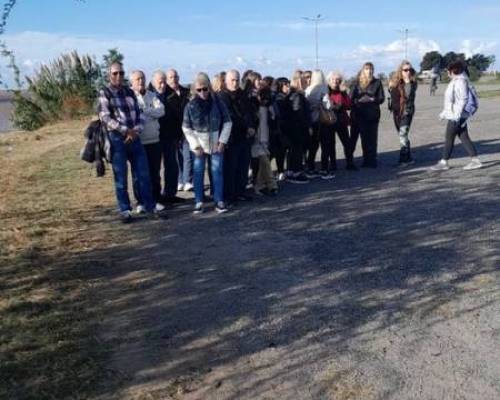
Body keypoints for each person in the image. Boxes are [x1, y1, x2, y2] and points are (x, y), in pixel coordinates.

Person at [97, 62, 156, 223]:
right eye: (115, 73)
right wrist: (125, 130)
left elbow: (140, 114)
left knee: (143, 174)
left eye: (121, 73)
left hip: (135, 138)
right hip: (117, 139)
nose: (118, 76)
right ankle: (125, 210)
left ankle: (149, 207)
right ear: (109, 75)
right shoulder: (105, 92)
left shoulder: (130, 92)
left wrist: (135, 130)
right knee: (121, 177)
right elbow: (105, 116)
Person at [183, 73, 232, 214]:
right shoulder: (190, 106)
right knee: (198, 173)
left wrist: (222, 141)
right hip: (199, 144)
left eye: (205, 89)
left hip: (216, 143)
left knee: (217, 172)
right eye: (199, 90)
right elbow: (186, 127)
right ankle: (199, 201)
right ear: (194, 90)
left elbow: (228, 122)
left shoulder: (218, 103)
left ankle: (219, 200)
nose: (202, 92)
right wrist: (195, 145)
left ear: (209, 88)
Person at [431, 60, 482, 171]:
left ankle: (444, 162)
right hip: (458, 115)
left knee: (449, 138)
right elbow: (451, 101)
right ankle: (475, 160)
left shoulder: (460, 82)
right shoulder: (458, 80)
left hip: (457, 116)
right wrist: (444, 113)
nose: (447, 73)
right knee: (464, 136)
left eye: (448, 71)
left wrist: (456, 115)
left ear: (452, 71)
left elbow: (462, 99)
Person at [218, 69, 257, 204]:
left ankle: (240, 192)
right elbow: (230, 116)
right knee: (231, 167)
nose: (235, 83)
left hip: (245, 137)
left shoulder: (242, 94)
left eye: (237, 80)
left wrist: (251, 127)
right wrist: (246, 127)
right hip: (231, 137)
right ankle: (229, 195)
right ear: (227, 81)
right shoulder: (222, 96)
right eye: (232, 80)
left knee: (243, 166)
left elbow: (249, 112)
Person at [130, 70, 166, 212]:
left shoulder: (153, 96)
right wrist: (151, 113)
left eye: (143, 78)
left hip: (154, 140)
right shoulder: (130, 97)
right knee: (138, 174)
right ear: (132, 82)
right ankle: (140, 202)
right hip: (138, 141)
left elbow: (161, 111)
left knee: (154, 172)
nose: (141, 81)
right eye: (138, 79)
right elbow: (134, 116)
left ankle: (155, 199)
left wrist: (145, 112)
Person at [149, 70, 184, 204]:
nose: (162, 85)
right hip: (154, 137)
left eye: (164, 82)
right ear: (153, 82)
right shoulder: (148, 95)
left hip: (170, 136)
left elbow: (179, 116)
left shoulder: (172, 96)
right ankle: (156, 196)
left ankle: (170, 194)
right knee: (155, 167)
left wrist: (179, 135)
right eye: (160, 82)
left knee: (172, 166)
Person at [350, 62, 385, 168]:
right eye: (367, 69)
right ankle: (361, 160)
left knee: (372, 138)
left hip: (373, 114)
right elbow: (350, 98)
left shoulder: (377, 82)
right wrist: (359, 100)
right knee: (362, 138)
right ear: (362, 70)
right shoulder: (356, 83)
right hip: (359, 114)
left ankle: (372, 160)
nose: (369, 71)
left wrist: (373, 99)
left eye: (371, 69)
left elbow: (381, 98)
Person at [164, 69, 192, 193]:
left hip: (186, 128)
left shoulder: (186, 92)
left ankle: (188, 180)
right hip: (172, 130)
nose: (173, 79)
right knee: (176, 157)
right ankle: (179, 180)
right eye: (171, 77)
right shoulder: (165, 94)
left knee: (187, 156)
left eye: (175, 76)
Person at [325, 71, 356, 173]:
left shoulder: (342, 92)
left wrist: (343, 93)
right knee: (330, 144)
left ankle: (350, 163)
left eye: (338, 80)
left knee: (347, 143)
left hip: (341, 120)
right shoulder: (325, 91)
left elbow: (349, 105)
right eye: (333, 79)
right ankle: (333, 164)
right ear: (329, 81)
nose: (335, 81)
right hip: (329, 120)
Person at [388, 61, 418, 165]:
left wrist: (407, 81)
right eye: (405, 70)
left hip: (407, 113)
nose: (408, 72)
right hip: (397, 113)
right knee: (403, 136)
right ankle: (409, 158)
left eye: (410, 70)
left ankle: (403, 159)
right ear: (401, 71)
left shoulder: (412, 84)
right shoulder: (396, 83)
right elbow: (393, 97)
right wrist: (391, 87)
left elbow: (408, 96)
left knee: (403, 134)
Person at [286, 70, 312, 183]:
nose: (306, 81)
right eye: (304, 80)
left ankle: (292, 171)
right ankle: (295, 172)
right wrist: (307, 125)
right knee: (296, 150)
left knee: (294, 150)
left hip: (294, 127)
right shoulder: (297, 96)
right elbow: (297, 113)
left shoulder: (293, 95)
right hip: (297, 128)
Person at [252, 87, 279, 195]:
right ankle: (272, 185)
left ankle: (259, 185)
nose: (265, 100)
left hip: (266, 138)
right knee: (265, 162)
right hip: (256, 139)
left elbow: (273, 123)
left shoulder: (269, 108)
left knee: (264, 163)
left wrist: (272, 115)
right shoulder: (254, 108)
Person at [304, 69, 329, 178]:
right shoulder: (323, 88)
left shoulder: (308, 89)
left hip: (312, 120)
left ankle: (310, 168)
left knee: (313, 146)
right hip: (322, 120)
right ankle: (324, 169)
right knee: (325, 146)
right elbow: (327, 105)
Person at [272, 77, 291, 181]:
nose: (288, 87)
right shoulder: (280, 98)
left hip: (285, 128)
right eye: (286, 85)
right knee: (280, 151)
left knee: (283, 151)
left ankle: (282, 171)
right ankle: (280, 171)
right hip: (282, 128)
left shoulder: (285, 97)